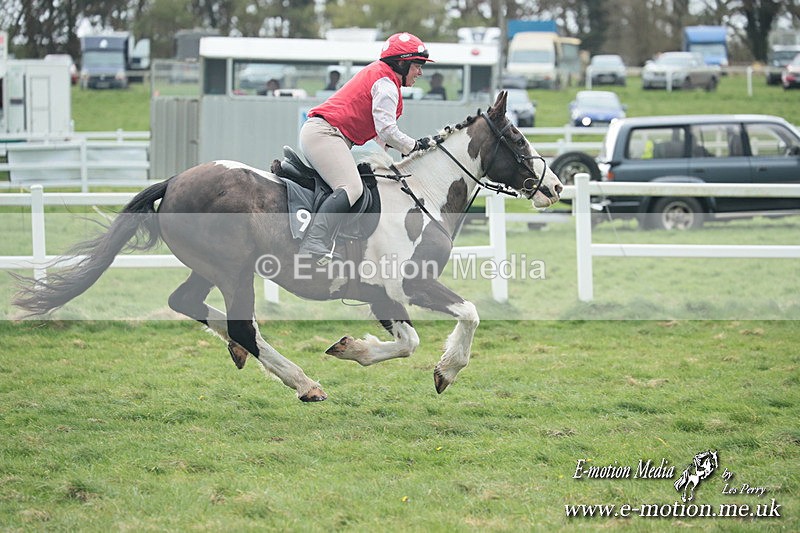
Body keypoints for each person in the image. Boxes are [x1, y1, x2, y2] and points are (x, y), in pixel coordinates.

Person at [298, 32, 434, 264]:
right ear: (402, 63)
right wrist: (414, 146)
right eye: (417, 65)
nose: (420, 72)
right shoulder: (386, 84)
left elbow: (382, 140)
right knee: (351, 187)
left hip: (326, 134)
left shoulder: (385, 79)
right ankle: (314, 244)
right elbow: (387, 131)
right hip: (324, 134)